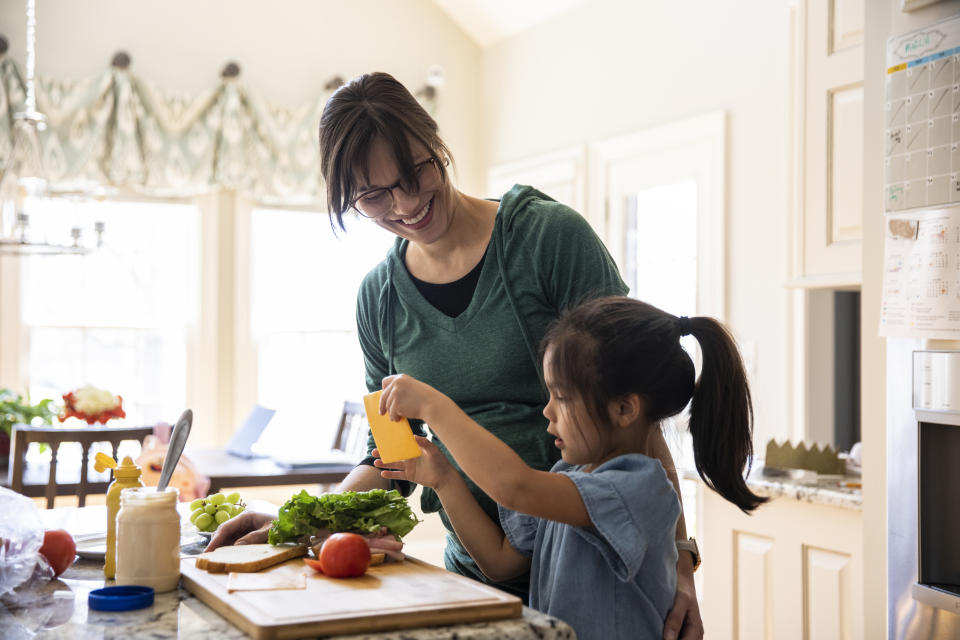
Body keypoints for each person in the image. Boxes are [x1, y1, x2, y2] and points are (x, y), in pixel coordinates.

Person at [206, 71, 704, 639]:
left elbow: (638, 415)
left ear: (435, 140)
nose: (408, 202)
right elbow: (391, 455)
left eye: (416, 171)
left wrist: (681, 566)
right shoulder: (380, 298)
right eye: (374, 195)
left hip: (606, 575)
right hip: (483, 570)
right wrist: (300, 525)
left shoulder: (547, 240)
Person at [373, 296, 767, 640]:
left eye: (561, 397)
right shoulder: (569, 476)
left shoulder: (639, 489)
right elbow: (498, 562)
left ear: (625, 408)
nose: (547, 410)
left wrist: (435, 408)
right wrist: (443, 479)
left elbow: (515, 488)